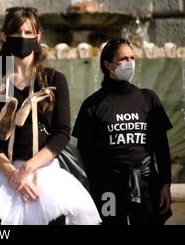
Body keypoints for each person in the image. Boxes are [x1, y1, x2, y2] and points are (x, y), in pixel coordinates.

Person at [0, 7, 101, 225]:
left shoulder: (54, 80)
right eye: (17, 32)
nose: (23, 38)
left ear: (38, 37)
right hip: (4, 176)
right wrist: (12, 174)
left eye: (29, 33)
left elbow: (62, 133)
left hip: (45, 175)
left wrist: (27, 170)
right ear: (5, 36)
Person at [73, 38, 173, 225]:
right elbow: (85, 155)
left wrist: (166, 184)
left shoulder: (148, 98)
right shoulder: (92, 105)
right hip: (107, 189)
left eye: (132, 57)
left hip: (145, 186)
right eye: (123, 59)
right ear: (108, 64)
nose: (130, 62)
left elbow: (162, 147)